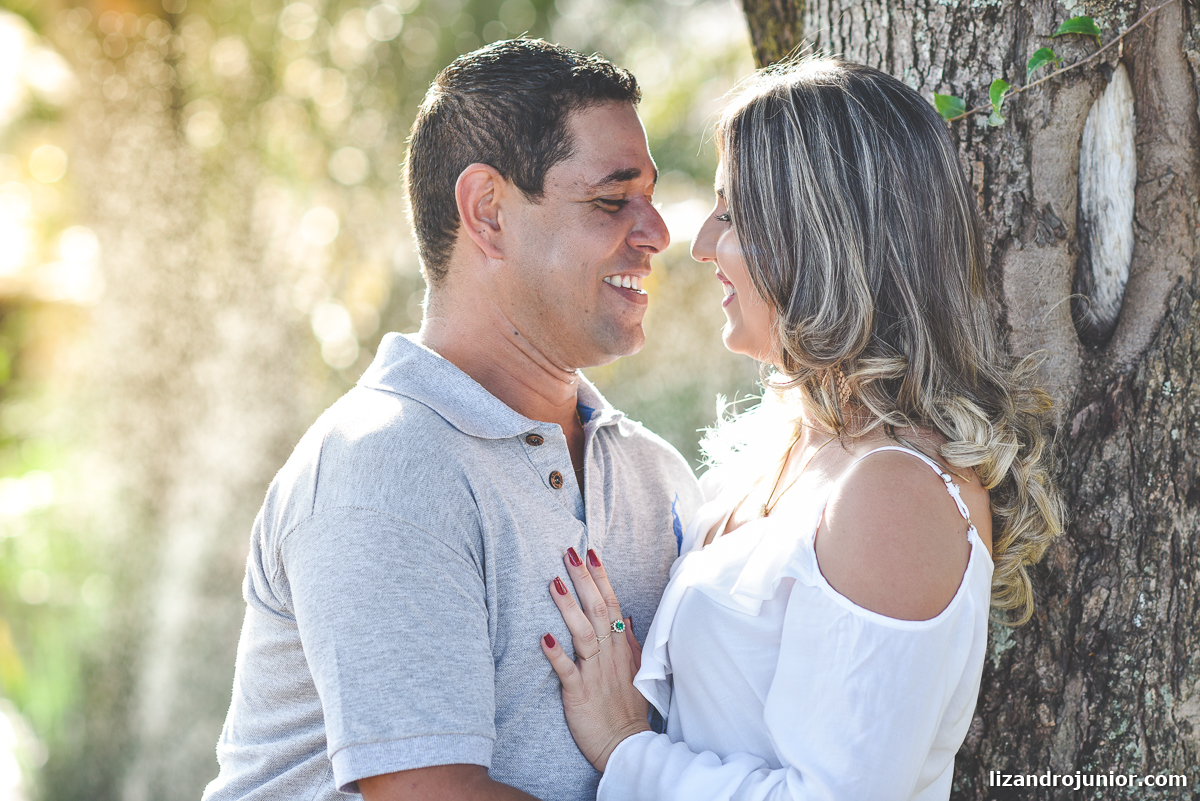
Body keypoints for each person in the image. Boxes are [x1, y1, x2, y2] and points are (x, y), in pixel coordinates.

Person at [540, 58, 1066, 800]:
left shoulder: (896, 491)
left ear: (821, 235)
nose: (700, 244)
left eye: (733, 214)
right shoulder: (772, 451)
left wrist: (627, 748)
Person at [202, 39, 703, 801]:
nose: (658, 232)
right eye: (611, 199)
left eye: (650, 196)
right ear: (488, 212)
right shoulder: (387, 463)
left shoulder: (654, 475)